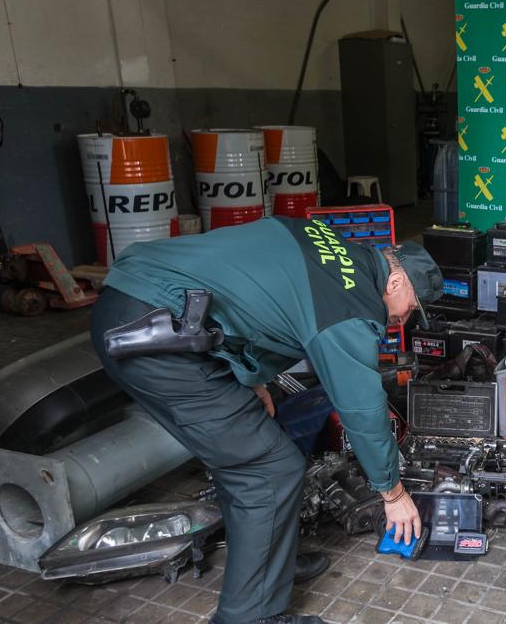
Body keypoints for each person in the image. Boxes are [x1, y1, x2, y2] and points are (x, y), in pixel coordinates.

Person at [90, 216, 443, 624]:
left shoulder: (331, 247)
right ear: (396, 283)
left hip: (147, 305)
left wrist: (249, 377)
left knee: (251, 451)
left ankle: (269, 566)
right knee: (266, 471)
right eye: (413, 308)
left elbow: (262, 301)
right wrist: (393, 493)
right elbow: (362, 408)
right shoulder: (351, 306)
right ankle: (251, 615)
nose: (407, 319)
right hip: (154, 337)